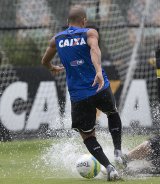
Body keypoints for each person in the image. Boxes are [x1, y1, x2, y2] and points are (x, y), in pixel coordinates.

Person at [41, 6, 122, 181]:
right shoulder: (89, 33)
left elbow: (44, 60)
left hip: (79, 95)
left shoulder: (57, 39)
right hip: (100, 87)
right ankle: (118, 151)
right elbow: (94, 49)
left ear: (67, 22)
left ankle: (109, 167)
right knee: (112, 112)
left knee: (87, 135)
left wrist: (52, 67)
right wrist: (98, 71)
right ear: (84, 20)